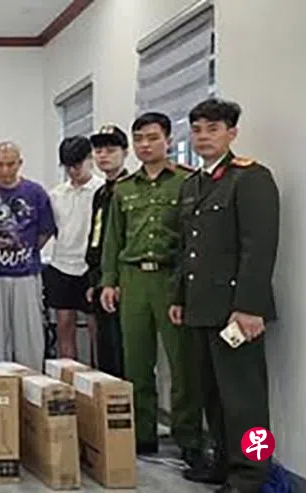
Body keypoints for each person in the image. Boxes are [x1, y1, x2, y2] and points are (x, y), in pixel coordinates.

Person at [172, 99, 279, 493]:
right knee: (212, 395)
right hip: (201, 307)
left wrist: (249, 307)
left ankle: (251, 474)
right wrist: (179, 297)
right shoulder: (193, 184)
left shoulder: (250, 178)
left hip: (236, 311)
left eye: (213, 129)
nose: (203, 137)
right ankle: (222, 462)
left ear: (232, 133)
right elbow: (187, 248)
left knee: (245, 399)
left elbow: (259, 246)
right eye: (197, 129)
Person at [98, 113, 203, 463]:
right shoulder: (124, 189)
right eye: (139, 138)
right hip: (133, 280)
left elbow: (193, 238)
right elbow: (113, 239)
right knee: (137, 363)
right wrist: (109, 281)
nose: (145, 145)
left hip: (171, 279)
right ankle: (142, 434)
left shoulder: (188, 182)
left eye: (153, 138)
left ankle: (188, 438)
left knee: (182, 364)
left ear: (168, 140)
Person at [0, 141, 55, 370]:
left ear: (20, 163)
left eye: (10, 164)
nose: (5, 170)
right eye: (0, 164)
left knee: (28, 337)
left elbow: (45, 231)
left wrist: (24, 251)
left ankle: (31, 380)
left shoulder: (35, 192)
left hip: (25, 274)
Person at [44, 136, 103, 360]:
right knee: (64, 326)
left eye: (77, 165)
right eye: (68, 166)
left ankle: (97, 374)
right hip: (61, 265)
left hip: (90, 267)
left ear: (90, 159)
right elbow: (52, 230)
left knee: (96, 328)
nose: (73, 171)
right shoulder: (56, 195)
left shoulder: (101, 190)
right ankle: (68, 374)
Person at [85, 124, 129, 378]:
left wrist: (117, 280)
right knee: (105, 348)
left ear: (125, 152)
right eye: (99, 151)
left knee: (123, 349)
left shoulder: (130, 189)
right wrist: (95, 279)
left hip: (123, 279)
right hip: (101, 279)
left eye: (111, 150)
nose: (103, 156)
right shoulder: (101, 192)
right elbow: (96, 238)